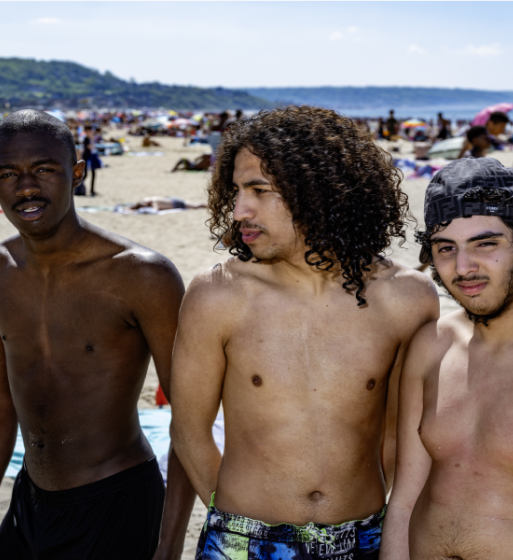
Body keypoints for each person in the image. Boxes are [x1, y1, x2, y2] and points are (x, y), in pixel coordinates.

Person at [169, 107, 440, 559]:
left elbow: (397, 435)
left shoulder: (406, 299)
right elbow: (189, 431)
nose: (239, 210)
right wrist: (235, 527)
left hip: (361, 539)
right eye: (235, 191)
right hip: (241, 539)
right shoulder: (218, 294)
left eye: (258, 190)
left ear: (319, 191)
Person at [0, 110, 195, 559]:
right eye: (8, 174)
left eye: (44, 170)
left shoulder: (141, 275)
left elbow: (188, 416)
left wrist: (167, 548)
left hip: (117, 501)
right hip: (29, 500)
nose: (26, 187)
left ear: (76, 174)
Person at [380, 158, 513, 559]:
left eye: (485, 244)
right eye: (445, 248)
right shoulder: (432, 344)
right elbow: (405, 496)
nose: (463, 267)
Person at [127, 196, 207, 212]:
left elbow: (155, 210)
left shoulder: (155, 201)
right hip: (171, 200)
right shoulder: (149, 199)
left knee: (196, 206)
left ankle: (209, 206)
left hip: (176, 203)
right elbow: (137, 205)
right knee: (195, 204)